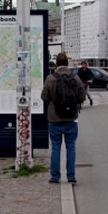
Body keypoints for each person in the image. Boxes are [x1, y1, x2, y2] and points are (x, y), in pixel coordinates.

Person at [40, 52, 86, 184]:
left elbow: (44, 97)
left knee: (56, 147)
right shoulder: (75, 78)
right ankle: (71, 176)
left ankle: (55, 177)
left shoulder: (50, 78)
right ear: (67, 64)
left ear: (56, 64)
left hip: (55, 118)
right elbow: (82, 97)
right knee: (71, 147)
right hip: (71, 117)